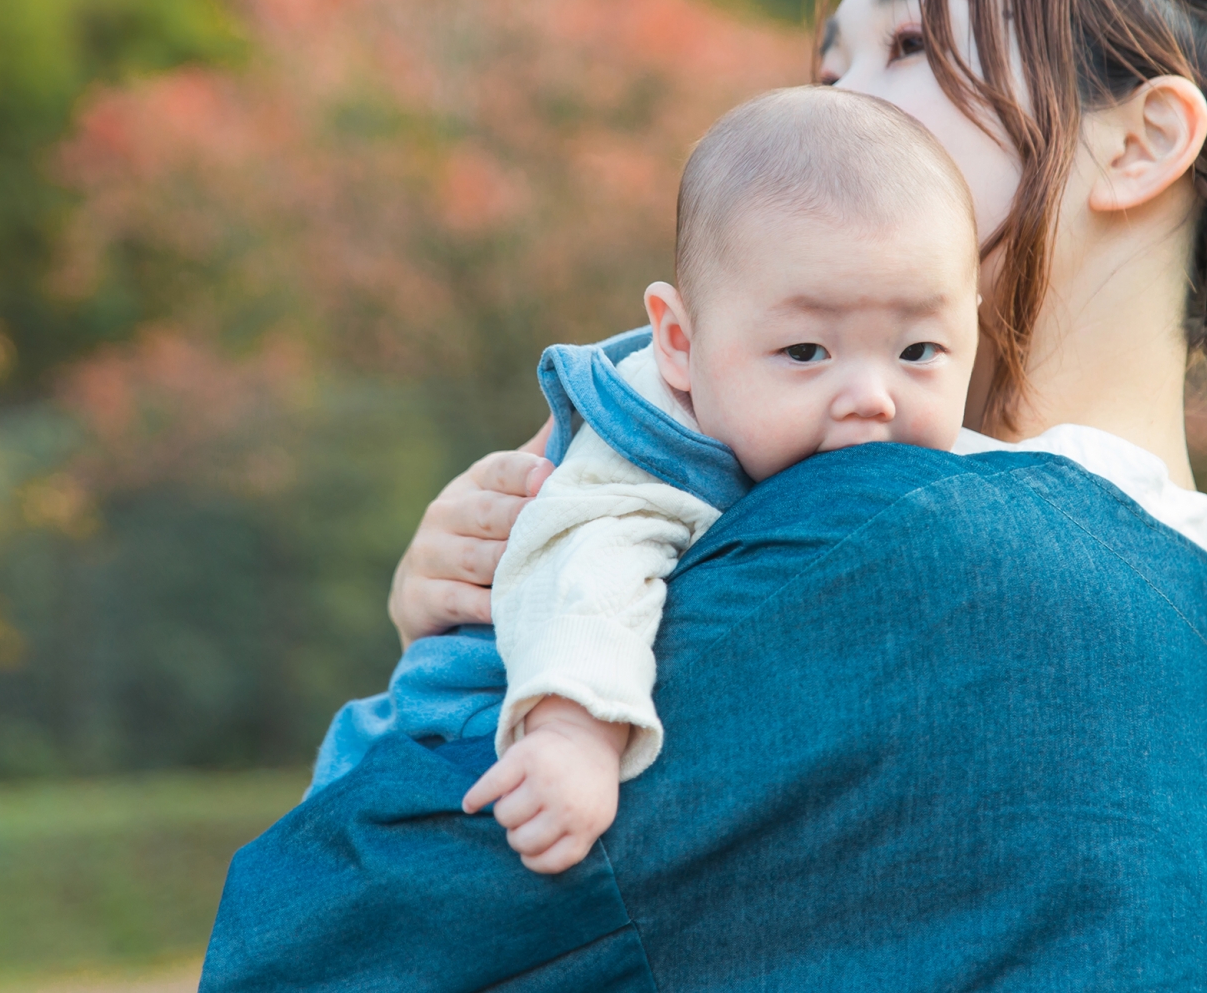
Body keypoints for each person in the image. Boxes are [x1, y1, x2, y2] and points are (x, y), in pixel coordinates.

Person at [202, 0, 1207, 991]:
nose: (836, 113)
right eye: (827, 73)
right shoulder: (1193, 592)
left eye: (911, 44)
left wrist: (447, 672)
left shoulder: (890, 532)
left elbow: (311, 935)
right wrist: (487, 608)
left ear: (1143, 140)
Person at [306, 87, 983, 875]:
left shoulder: (849, 437)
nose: (874, 396)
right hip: (466, 731)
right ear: (678, 341)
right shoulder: (651, 450)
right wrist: (575, 733)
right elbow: (585, 578)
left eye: (918, 351)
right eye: (805, 352)